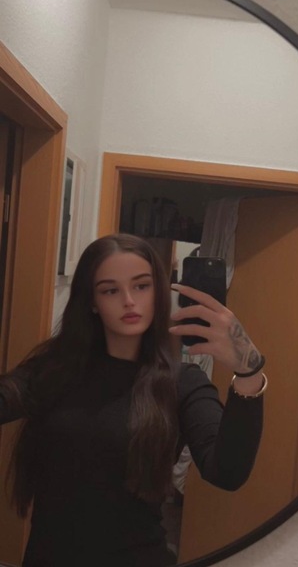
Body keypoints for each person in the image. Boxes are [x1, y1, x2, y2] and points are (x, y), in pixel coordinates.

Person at [0, 233, 266, 567]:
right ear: (92, 302)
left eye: (141, 286)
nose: (128, 300)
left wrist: (249, 370)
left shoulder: (182, 382)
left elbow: (227, 472)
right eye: (110, 290)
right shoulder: (54, 370)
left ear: (158, 293)